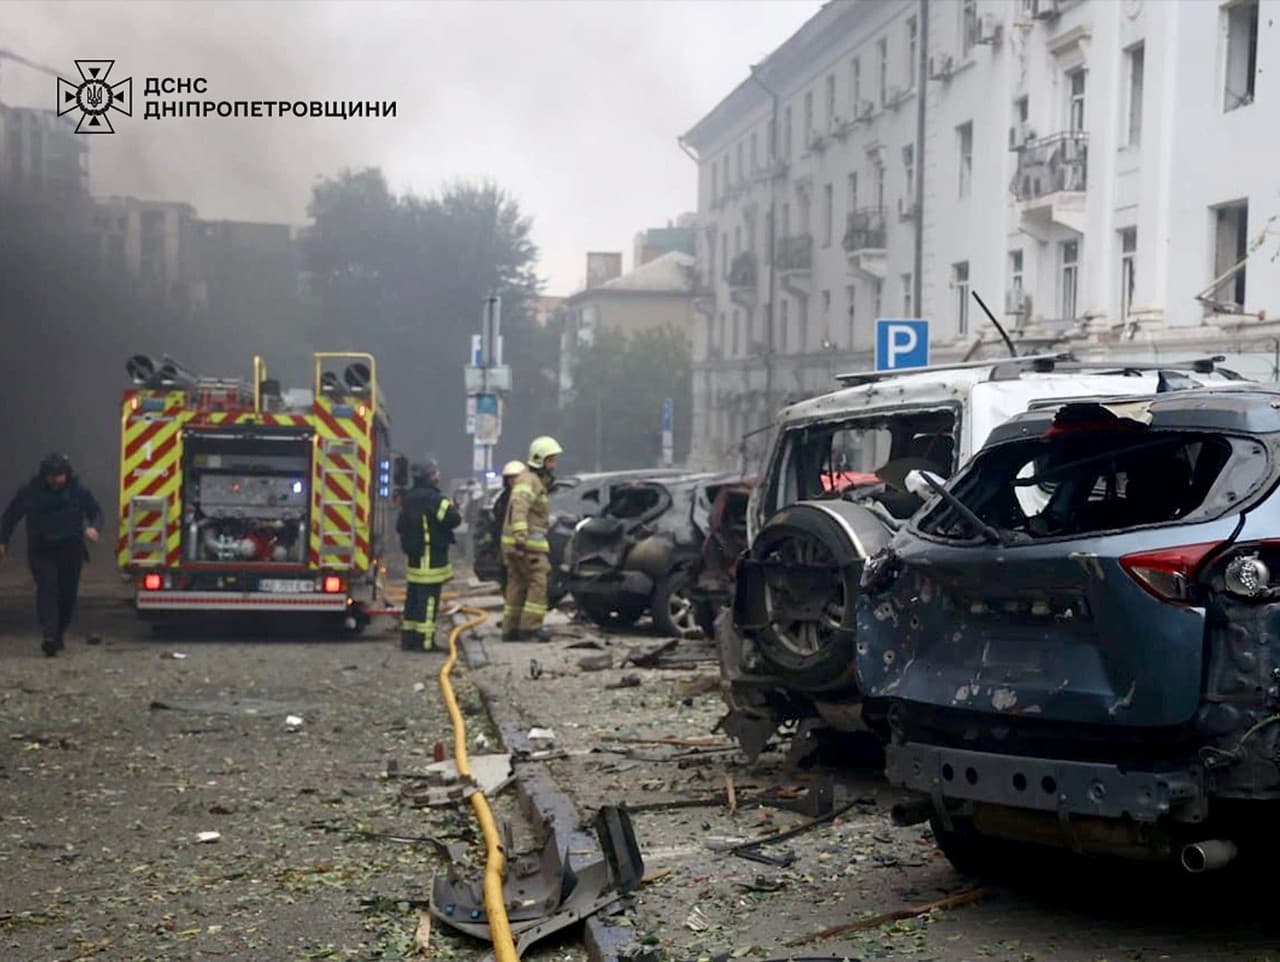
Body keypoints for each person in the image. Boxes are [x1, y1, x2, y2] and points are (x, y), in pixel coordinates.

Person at [0, 453, 103, 657]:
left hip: (71, 549)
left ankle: (58, 633)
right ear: (44, 476)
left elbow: (95, 512)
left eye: (60, 475)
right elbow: (11, 515)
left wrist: (94, 528)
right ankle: (49, 635)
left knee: (67, 594)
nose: (57, 480)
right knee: (48, 588)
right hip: (42, 549)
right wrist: (3, 540)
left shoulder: (77, 490)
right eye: (52, 476)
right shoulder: (31, 491)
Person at [396, 458, 461, 653]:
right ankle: (425, 642)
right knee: (429, 599)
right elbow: (453, 519)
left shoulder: (408, 498)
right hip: (431, 557)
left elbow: (400, 526)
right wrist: (453, 506)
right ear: (428, 477)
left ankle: (408, 640)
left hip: (415, 557)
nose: (437, 477)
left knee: (413, 598)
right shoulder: (436, 499)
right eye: (434, 474)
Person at [501, 436, 562, 642]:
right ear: (540, 460)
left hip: (518, 544)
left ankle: (511, 629)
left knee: (517, 585)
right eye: (551, 460)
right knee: (538, 584)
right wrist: (520, 537)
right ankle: (530, 628)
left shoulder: (528, 480)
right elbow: (519, 508)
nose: (554, 465)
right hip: (529, 545)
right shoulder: (530, 481)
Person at [490, 460, 526, 593]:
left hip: (524, 549)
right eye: (509, 478)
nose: (512, 481)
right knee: (507, 582)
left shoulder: (527, 497)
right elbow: (496, 523)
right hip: (506, 550)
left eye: (515, 477)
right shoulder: (503, 499)